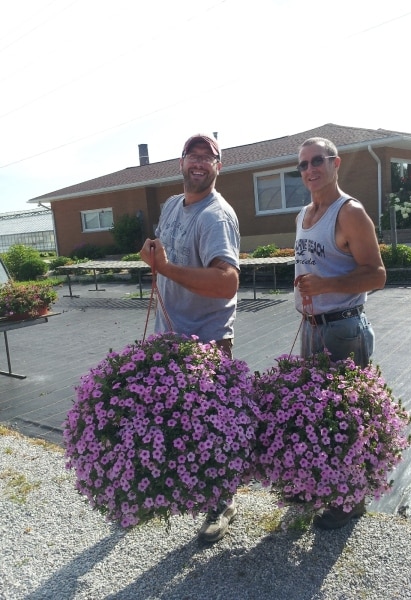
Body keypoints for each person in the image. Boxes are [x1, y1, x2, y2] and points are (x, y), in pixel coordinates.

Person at [140, 133, 240, 543]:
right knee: (180, 427)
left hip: (208, 343)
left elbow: (226, 283)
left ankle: (223, 504)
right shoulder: (171, 205)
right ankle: (182, 492)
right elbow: (164, 253)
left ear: (219, 167)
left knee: (214, 430)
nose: (199, 163)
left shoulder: (216, 216)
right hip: (171, 335)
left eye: (208, 157)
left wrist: (164, 269)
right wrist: (153, 255)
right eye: (192, 156)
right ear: (180, 164)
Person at [293, 137, 386, 529]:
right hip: (312, 328)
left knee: (347, 419)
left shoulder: (349, 212)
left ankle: (351, 502)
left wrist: (325, 286)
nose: (310, 169)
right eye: (303, 165)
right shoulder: (303, 214)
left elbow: (378, 274)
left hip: (343, 328)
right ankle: (327, 489)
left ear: (336, 163)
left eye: (318, 161)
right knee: (319, 416)